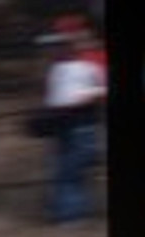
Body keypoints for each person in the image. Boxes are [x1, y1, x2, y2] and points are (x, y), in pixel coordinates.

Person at [37, 21, 106, 224]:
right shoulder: (57, 69)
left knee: (70, 171)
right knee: (63, 171)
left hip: (81, 121)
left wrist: (87, 95)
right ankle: (65, 214)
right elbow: (52, 96)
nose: (54, 49)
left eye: (60, 44)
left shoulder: (91, 64)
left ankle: (70, 218)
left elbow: (102, 88)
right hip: (61, 123)